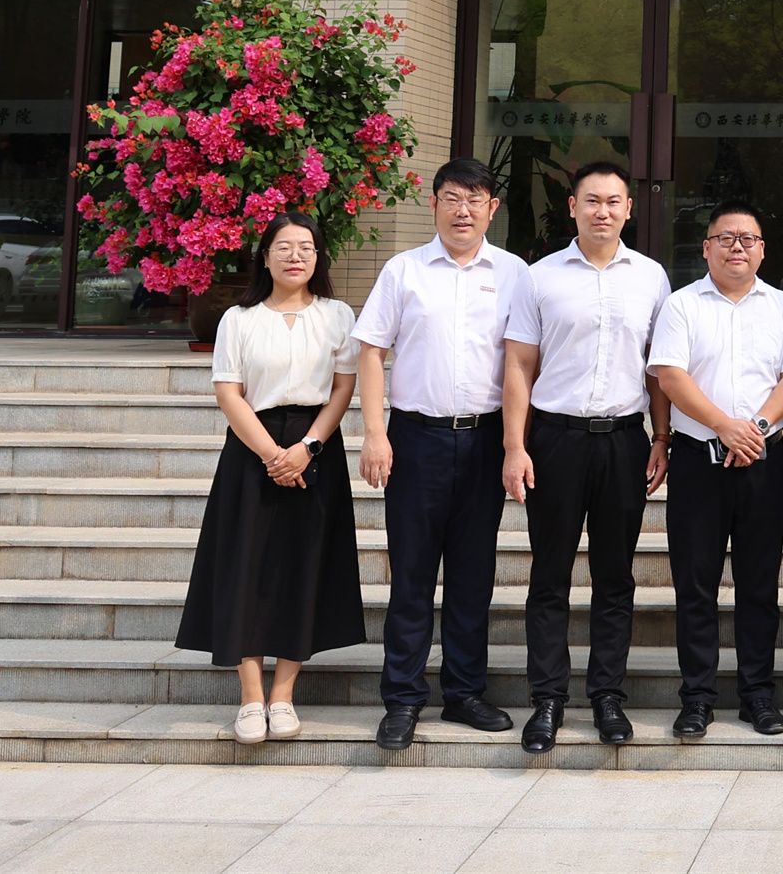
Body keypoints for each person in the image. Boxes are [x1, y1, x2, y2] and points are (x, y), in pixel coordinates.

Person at [354, 159, 535, 750]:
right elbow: (371, 352)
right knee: (411, 573)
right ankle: (403, 698)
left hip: (484, 439)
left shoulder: (514, 274)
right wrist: (375, 433)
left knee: (472, 574)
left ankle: (464, 693)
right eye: (452, 198)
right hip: (415, 438)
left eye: (475, 199)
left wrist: (515, 444)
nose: (463, 210)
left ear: (492, 208)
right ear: (433, 204)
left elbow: (523, 362)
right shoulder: (403, 270)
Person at [501, 161, 672, 752]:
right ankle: (547, 699)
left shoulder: (651, 278)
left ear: (629, 209)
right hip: (555, 439)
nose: (603, 211)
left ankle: (607, 697)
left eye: (614, 201)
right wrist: (515, 445)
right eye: (592, 200)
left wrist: (661, 437)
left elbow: (658, 369)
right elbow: (519, 365)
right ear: (572, 207)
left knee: (614, 575)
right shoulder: (539, 277)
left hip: (624, 440)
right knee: (549, 575)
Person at [176, 213, 364, 743]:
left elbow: (343, 389)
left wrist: (307, 448)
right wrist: (272, 455)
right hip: (251, 448)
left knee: (303, 566)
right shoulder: (238, 319)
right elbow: (228, 391)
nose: (295, 256)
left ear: (319, 257)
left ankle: (283, 695)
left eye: (306, 247)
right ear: (265, 256)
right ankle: (250, 697)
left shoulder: (337, 315)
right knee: (245, 565)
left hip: (315, 445)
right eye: (284, 246)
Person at [648, 204, 783, 738]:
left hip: (763, 459)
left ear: (762, 249)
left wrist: (753, 430)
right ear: (706, 248)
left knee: (759, 583)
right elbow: (670, 375)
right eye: (725, 238)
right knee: (695, 584)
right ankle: (697, 697)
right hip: (699, 461)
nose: (737, 246)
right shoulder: (682, 305)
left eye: (747, 238)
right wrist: (723, 426)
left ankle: (757, 694)